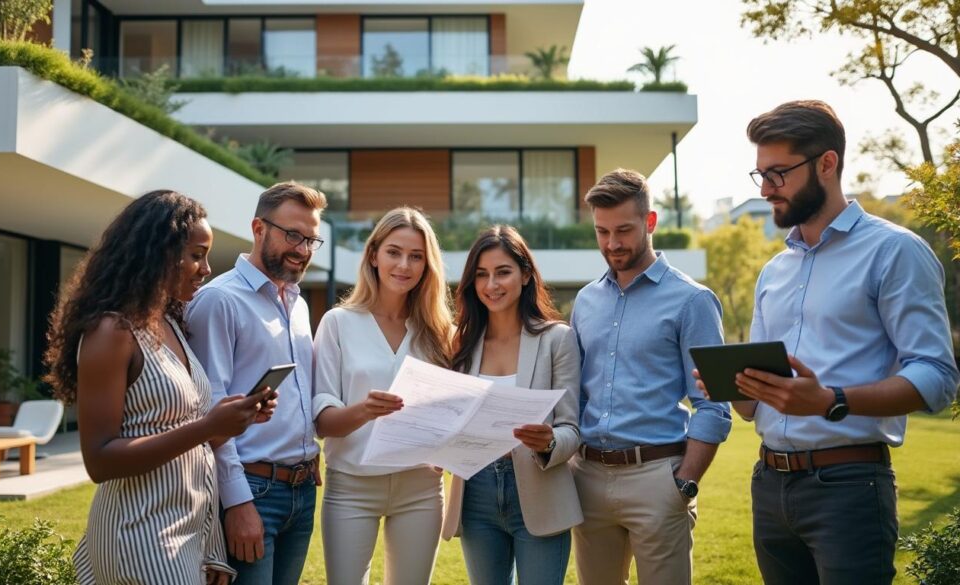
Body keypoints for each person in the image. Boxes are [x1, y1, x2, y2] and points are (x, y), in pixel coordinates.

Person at [698, 99, 959, 585]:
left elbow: (938, 376)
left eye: (778, 174)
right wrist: (734, 385)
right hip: (769, 484)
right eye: (760, 175)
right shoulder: (775, 271)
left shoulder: (894, 251)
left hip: (849, 487)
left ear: (826, 163)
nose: (766, 190)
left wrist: (830, 400)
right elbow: (753, 409)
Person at [43, 190, 271, 585]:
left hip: (186, 533)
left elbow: (185, 438)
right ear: (159, 253)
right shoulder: (112, 331)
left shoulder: (170, 323)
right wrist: (208, 426)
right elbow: (99, 460)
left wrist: (236, 419)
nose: (205, 269)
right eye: (196, 255)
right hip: (140, 536)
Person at [569, 169, 731, 585]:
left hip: (658, 477)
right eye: (602, 232)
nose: (612, 243)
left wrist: (685, 483)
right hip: (588, 478)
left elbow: (714, 404)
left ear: (651, 221)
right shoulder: (585, 301)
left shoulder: (693, 300)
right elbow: (577, 393)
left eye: (623, 230)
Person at [185, 182, 328, 585]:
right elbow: (209, 407)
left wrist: (305, 448)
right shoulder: (219, 300)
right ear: (258, 228)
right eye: (293, 235)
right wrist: (237, 502)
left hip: (302, 489)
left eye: (311, 240)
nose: (302, 249)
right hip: (252, 490)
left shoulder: (297, 303)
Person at [312, 207, 453, 585]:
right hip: (352, 486)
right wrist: (365, 410)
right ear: (373, 255)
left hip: (421, 486)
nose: (404, 265)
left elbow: (454, 413)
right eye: (394, 252)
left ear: (427, 265)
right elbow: (323, 423)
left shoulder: (441, 332)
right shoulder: (338, 323)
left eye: (416, 256)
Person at [440, 225, 582, 585]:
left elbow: (572, 429)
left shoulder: (557, 339)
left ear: (525, 274)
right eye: (481, 275)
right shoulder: (461, 343)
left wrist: (549, 442)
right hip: (475, 493)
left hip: (539, 489)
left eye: (503, 272)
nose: (492, 285)